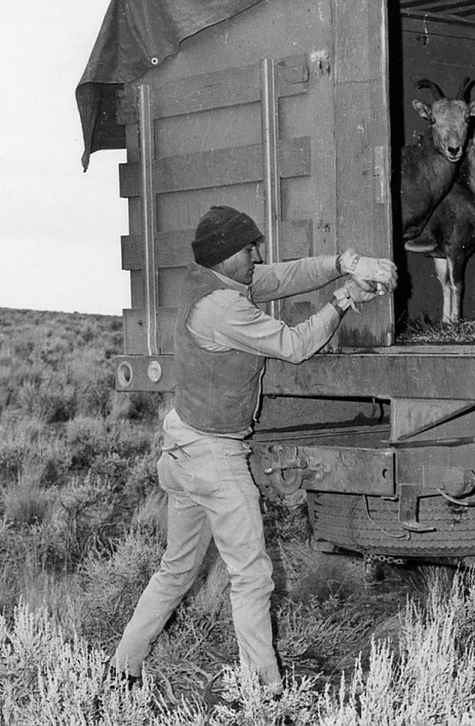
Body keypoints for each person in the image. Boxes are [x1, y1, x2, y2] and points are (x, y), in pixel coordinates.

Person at [110, 205, 397, 693]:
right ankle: (265, 694)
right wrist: (344, 299)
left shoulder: (212, 282)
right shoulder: (223, 309)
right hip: (213, 459)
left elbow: (283, 277)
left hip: (182, 449)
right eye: (250, 249)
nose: (257, 256)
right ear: (226, 257)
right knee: (253, 577)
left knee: (176, 571)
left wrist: (343, 263)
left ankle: (122, 669)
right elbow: (296, 343)